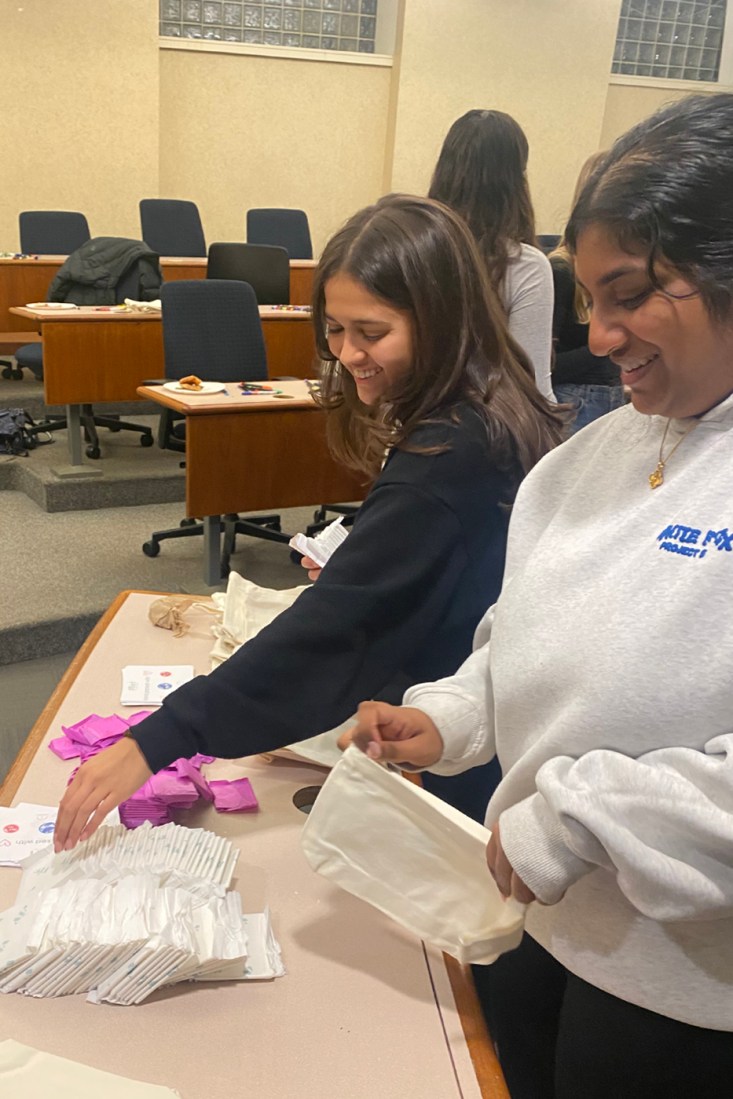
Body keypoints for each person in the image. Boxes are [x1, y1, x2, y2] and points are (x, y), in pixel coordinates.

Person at [345, 95, 733, 1098]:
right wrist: (450, 714)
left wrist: (575, 821)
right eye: (585, 299)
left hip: (690, 990)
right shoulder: (592, 454)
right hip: (540, 920)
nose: (596, 336)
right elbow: (521, 634)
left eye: (632, 293)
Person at [53, 193, 563, 850]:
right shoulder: (489, 399)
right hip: (471, 714)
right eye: (334, 329)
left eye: (372, 332)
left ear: (440, 319)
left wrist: (161, 735)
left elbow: (337, 627)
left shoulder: (449, 450)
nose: (348, 354)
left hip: (465, 751)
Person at [428, 108, 555, 402]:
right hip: (491, 433)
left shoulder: (415, 250)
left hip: (415, 425)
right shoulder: (525, 266)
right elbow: (533, 386)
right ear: (516, 181)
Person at [549, 151, 626, 430]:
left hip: (613, 394)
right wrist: (603, 349)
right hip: (575, 400)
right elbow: (548, 366)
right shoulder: (561, 271)